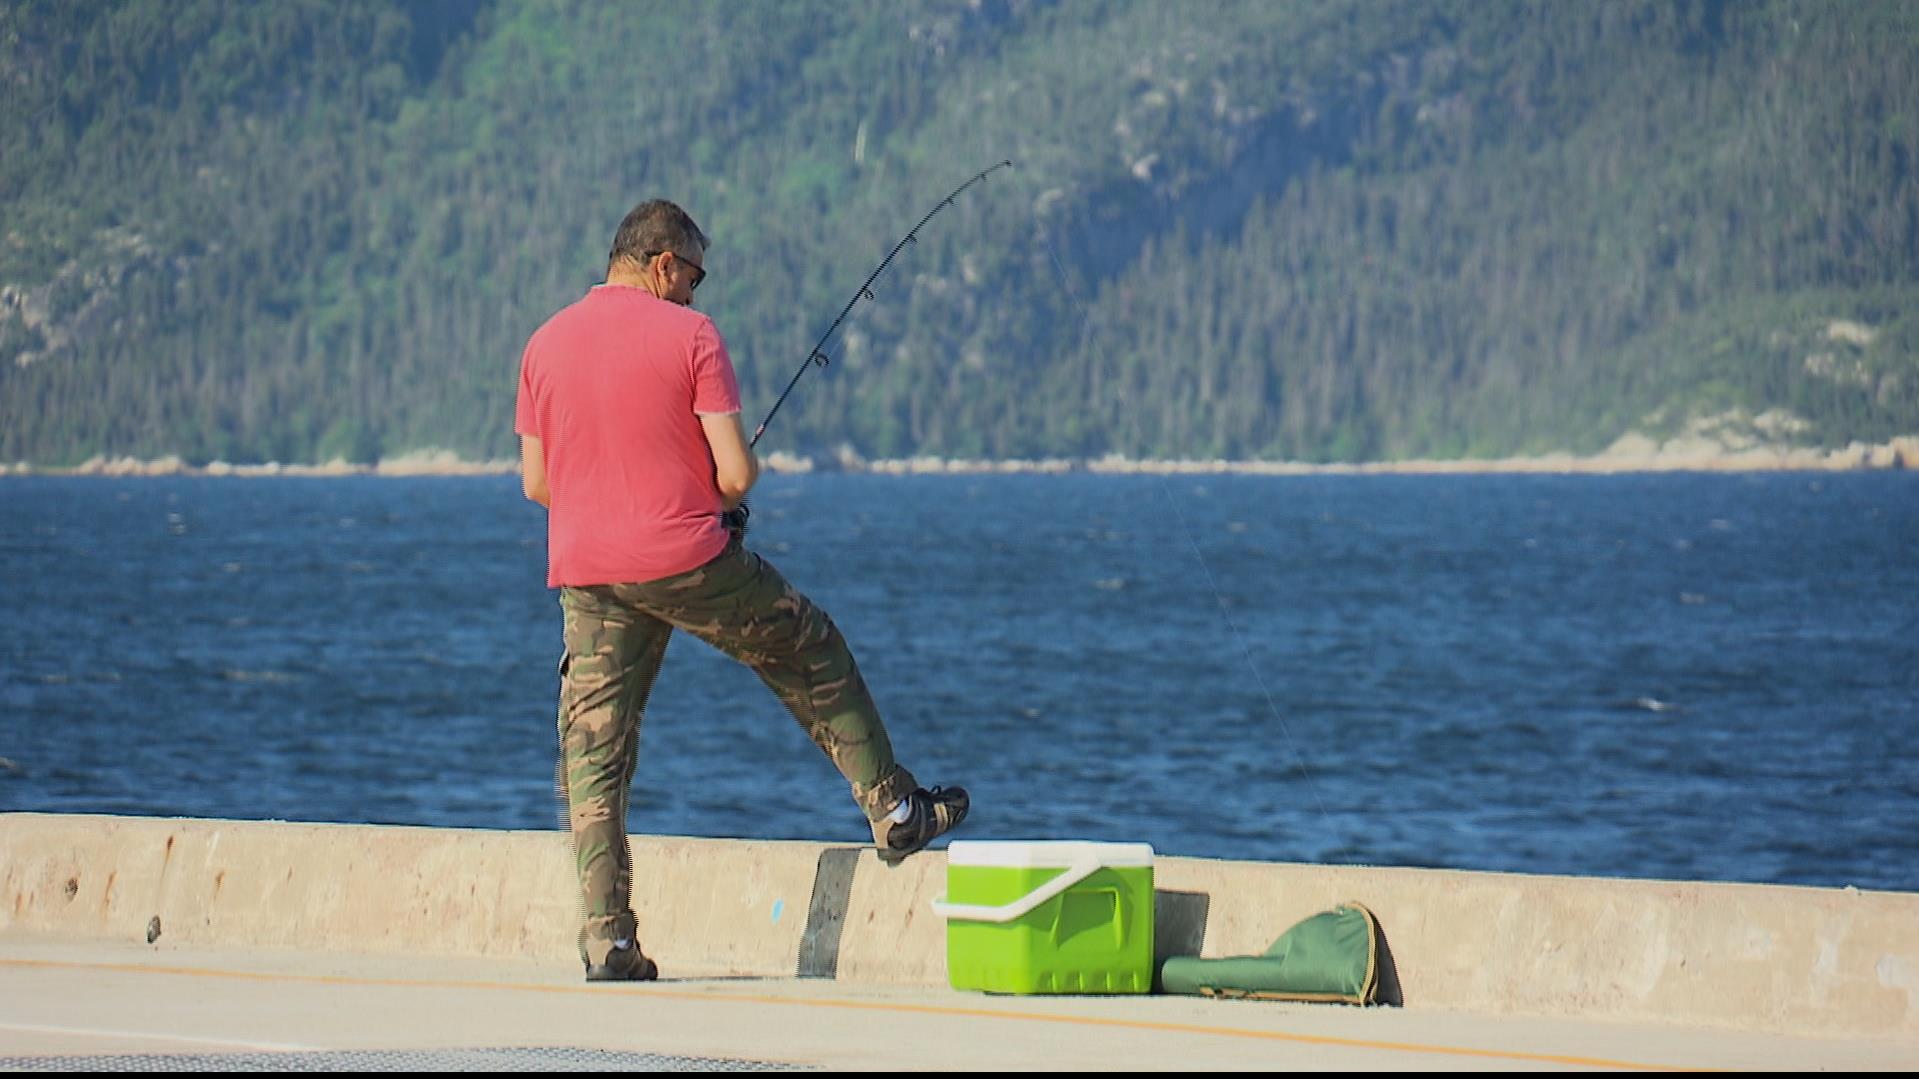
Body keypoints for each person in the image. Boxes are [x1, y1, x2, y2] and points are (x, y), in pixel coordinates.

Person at [514, 199, 969, 982]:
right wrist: (715, 503)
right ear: (661, 264)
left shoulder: (544, 342)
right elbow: (734, 473)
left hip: (587, 568)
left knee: (594, 751)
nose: (696, 291)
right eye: (693, 275)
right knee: (806, 644)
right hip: (686, 556)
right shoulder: (691, 335)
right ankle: (893, 808)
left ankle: (608, 940)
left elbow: (538, 483)